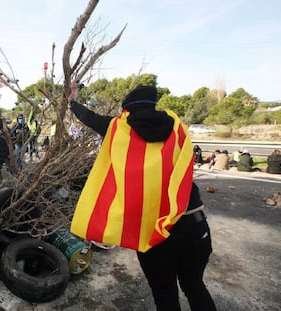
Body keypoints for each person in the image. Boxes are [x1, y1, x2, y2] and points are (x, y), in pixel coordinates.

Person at [68, 80, 216, 311]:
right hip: (193, 225)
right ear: (153, 104)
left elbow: (88, 117)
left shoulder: (117, 128)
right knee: (195, 287)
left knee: (165, 297)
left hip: (153, 234)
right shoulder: (177, 128)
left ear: (127, 110)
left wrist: (72, 100)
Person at [0, 118, 15, 183]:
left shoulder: (7, 131)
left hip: (6, 154)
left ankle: (14, 182)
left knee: (10, 168)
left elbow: (11, 141)